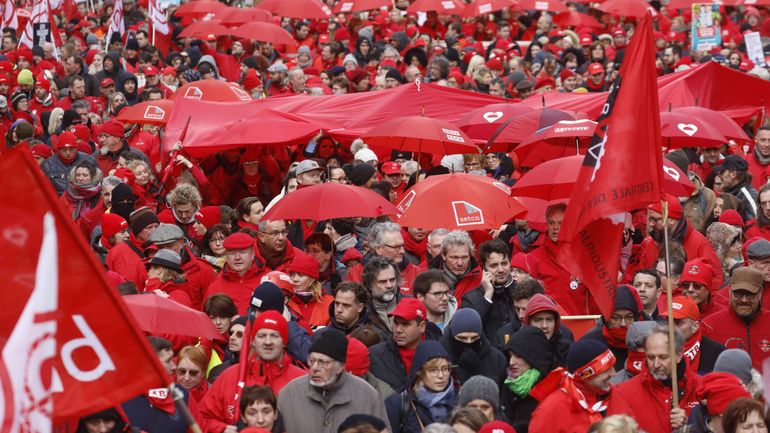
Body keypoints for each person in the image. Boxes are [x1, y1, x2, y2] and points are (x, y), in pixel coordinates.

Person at [200, 310, 306, 432]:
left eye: (274, 336)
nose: (268, 342)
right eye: (262, 336)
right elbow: (203, 417)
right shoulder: (229, 376)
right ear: (253, 341)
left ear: (284, 342)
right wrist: (221, 429)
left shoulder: (301, 381)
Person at [277, 329, 391, 433]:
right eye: (312, 360)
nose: (315, 367)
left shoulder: (368, 396)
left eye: (323, 362)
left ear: (340, 366)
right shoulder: (288, 395)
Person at [613, 324, 703, 433]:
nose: (656, 364)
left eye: (663, 357)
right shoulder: (624, 392)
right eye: (650, 357)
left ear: (678, 356)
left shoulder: (702, 387)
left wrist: (689, 427)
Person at [529, 339, 624, 433]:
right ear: (585, 375)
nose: (614, 373)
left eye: (612, 367)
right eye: (606, 369)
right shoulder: (551, 410)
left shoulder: (617, 395)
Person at [632, 195, 723, 289]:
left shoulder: (700, 243)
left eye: (655, 219)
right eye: (650, 219)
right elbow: (641, 276)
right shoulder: (651, 243)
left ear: (671, 220)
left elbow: (715, 282)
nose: (651, 224)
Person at [123, 337, 200, 433]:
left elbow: (200, 429)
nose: (174, 366)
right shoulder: (123, 400)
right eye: (168, 361)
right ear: (149, 363)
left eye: (172, 359)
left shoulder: (181, 394)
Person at [528, 203, 594, 315]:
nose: (555, 227)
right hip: (547, 324)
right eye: (551, 223)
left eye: (560, 223)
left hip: (579, 324)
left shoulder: (583, 257)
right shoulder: (533, 258)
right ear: (547, 225)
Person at [702, 266, 770, 369]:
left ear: (760, 293)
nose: (744, 300)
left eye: (750, 294)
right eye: (738, 293)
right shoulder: (709, 326)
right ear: (730, 291)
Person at [385, 340, 458, 433]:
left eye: (445, 369)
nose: (441, 375)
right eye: (433, 370)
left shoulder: (460, 400)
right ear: (420, 373)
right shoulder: (399, 404)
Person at [369, 298, 434, 393]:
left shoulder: (438, 355)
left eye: (405, 324)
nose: (398, 330)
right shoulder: (375, 356)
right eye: (396, 322)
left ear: (422, 326)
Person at [501, 326, 554, 433]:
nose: (511, 362)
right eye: (510, 356)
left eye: (518, 356)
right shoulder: (509, 383)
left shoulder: (552, 385)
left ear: (534, 356)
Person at [462, 239, 517, 341]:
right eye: (494, 265)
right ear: (484, 269)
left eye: (504, 263)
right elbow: (469, 329)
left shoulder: (521, 292)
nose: (500, 270)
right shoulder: (470, 298)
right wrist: (487, 296)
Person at [347, 222, 422, 294]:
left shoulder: (416, 273)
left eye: (402, 246)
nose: (402, 251)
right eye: (396, 247)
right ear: (379, 249)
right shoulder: (356, 274)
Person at [658, 296, 725, 375]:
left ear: (695, 326)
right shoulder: (658, 348)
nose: (671, 327)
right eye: (668, 321)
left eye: (678, 322)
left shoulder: (716, 353)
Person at [440, 308, 507, 386]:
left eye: (474, 338)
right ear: (452, 336)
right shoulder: (439, 358)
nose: (469, 342)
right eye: (462, 338)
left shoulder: (496, 359)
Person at [581, 285, 642, 368]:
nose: (623, 324)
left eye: (629, 317)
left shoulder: (647, 341)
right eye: (616, 318)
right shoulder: (589, 343)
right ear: (606, 319)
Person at [204, 232, 264, 315]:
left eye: (243, 252)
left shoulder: (267, 280)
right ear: (227, 256)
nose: (237, 258)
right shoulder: (215, 287)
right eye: (232, 253)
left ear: (252, 254)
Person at [285, 252, 333, 333]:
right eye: (292, 274)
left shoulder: (330, 303)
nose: (295, 279)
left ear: (312, 278)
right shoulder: (286, 302)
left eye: (301, 275)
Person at [428, 230, 482, 302]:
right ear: (443, 255)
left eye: (464, 257)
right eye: (454, 257)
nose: (460, 263)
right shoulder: (429, 278)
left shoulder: (482, 279)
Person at [521, 293, 573, 367]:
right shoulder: (519, 352)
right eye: (538, 320)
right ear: (528, 322)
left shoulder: (567, 351)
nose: (544, 326)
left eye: (549, 320)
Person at [713, 155, 758, 222]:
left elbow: (755, 223)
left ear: (733, 174)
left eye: (722, 171)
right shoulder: (730, 192)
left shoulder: (748, 196)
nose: (719, 175)